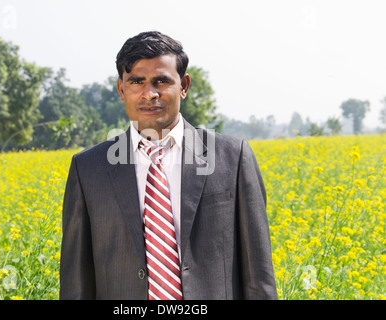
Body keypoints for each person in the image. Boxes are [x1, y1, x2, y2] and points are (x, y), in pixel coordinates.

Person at [59, 31, 277, 300]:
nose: (149, 94)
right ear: (121, 89)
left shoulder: (233, 157)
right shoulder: (87, 169)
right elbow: (75, 285)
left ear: (183, 86)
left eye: (161, 81)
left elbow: (259, 277)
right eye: (136, 82)